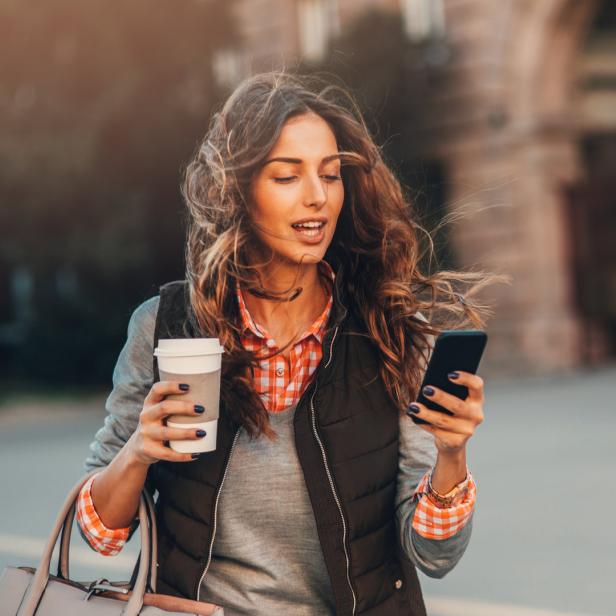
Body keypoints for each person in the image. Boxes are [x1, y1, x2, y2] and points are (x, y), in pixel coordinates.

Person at [77, 70, 498, 616]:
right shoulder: (165, 327)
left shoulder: (389, 332)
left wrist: (451, 454)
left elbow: (433, 554)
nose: (317, 197)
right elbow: (102, 534)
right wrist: (138, 451)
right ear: (239, 190)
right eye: (287, 177)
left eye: (330, 174)